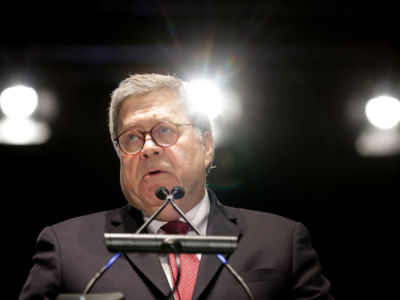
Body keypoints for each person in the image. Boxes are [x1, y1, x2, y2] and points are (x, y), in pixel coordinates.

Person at [19, 73, 334, 299]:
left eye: (166, 131)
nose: (149, 148)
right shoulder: (65, 248)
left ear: (206, 146)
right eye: (131, 137)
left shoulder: (280, 242)